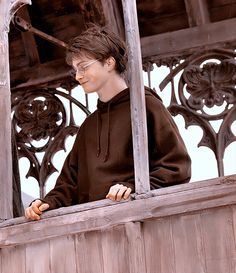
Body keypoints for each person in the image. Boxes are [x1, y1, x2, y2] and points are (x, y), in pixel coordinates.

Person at [25, 24, 191, 221]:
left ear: (109, 62)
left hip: (142, 225)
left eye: (84, 67)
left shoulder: (147, 106)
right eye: (75, 70)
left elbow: (177, 168)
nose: (78, 76)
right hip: (95, 233)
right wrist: (47, 203)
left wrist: (134, 188)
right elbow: (69, 185)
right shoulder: (88, 127)